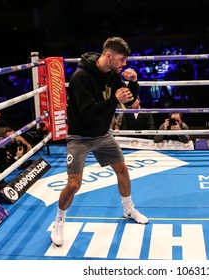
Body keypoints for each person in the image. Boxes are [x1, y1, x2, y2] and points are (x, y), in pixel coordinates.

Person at [51, 37, 148, 247]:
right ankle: (59, 221)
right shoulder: (80, 77)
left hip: (103, 134)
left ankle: (128, 208)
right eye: (121, 60)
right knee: (74, 184)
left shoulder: (112, 75)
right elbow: (87, 114)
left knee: (122, 169)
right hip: (80, 136)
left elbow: (130, 101)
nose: (124, 65)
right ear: (109, 56)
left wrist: (133, 82)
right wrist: (114, 99)